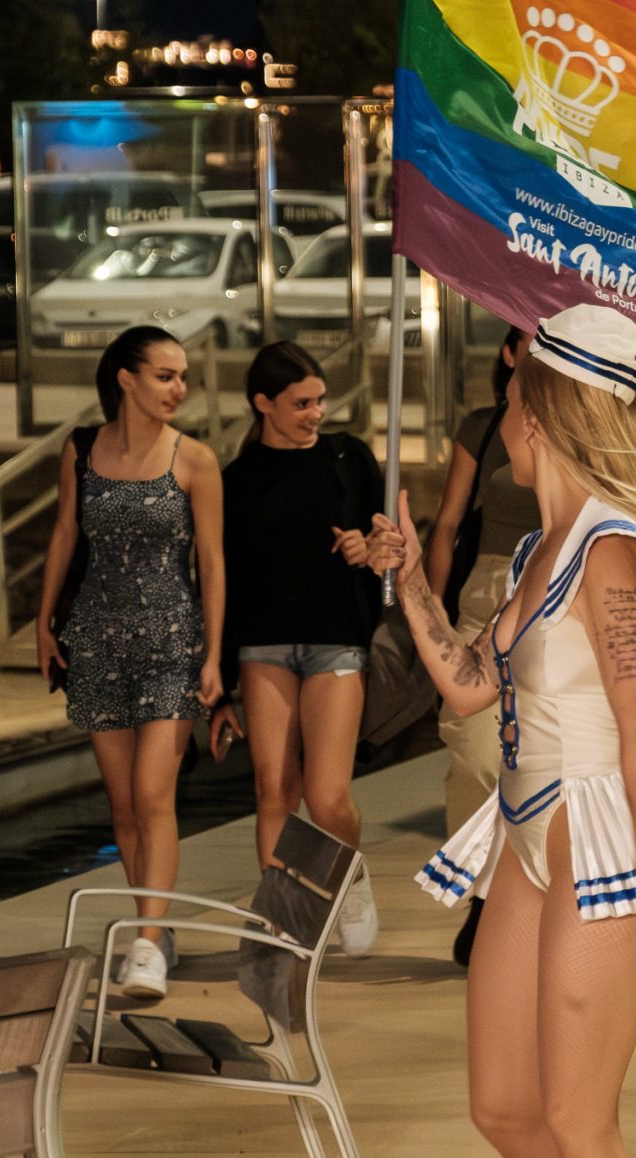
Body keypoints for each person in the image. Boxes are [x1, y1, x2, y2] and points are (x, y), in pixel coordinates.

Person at [376, 304, 636, 1158]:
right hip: (528, 825)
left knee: (581, 1121)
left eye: (512, 395)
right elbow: (464, 684)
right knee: (504, 1110)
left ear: (538, 412)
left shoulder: (611, 546)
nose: (499, 415)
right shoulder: (541, 550)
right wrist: (410, 579)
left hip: (599, 836)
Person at [36, 326, 225, 1002]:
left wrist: (213, 654)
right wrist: (42, 621)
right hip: (96, 639)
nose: (179, 387)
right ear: (126, 379)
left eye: (181, 376)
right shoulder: (81, 450)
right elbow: (64, 532)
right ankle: (155, 920)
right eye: (165, 375)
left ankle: (146, 946)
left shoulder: (196, 459)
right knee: (122, 806)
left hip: (171, 641)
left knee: (154, 795)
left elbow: (213, 561)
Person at [211, 340, 386, 957]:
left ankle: (350, 878)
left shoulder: (350, 458)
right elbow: (220, 581)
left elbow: (387, 547)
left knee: (328, 796)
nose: (316, 412)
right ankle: (282, 924)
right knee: (274, 790)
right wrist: (217, 686)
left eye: (320, 400)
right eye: (301, 403)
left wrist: (369, 551)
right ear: (263, 404)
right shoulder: (233, 481)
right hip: (263, 646)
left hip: (336, 640)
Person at [426, 327, 536, 965]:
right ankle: (481, 892)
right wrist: (435, 611)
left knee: (540, 751)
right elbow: (447, 522)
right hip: (485, 589)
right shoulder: (483, 424)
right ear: (508, 352)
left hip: (555, 586)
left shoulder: (579, 423)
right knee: (471, 747)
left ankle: (515, 903)